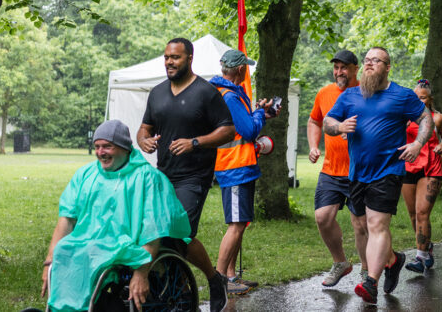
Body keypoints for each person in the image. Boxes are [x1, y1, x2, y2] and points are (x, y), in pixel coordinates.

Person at [42, 120, 192, 311]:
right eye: (97, 147)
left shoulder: (148, 178)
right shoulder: (86, 175)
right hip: (89, 241)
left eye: (107, 146)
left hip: (126, 244)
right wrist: (50, 263)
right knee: (64, 249)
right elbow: (67, 218)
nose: (100, 152)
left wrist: (141, 271)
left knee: (91, 253)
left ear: (124, 148)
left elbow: (152, 230)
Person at [323, 47, 432, 304]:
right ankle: (393, 260)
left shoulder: (402, 95)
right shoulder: (350, 96)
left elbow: (426, 118)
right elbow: (327, 121)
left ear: (387, 67)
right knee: (360, 225)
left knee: (376, 225)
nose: (369, 64)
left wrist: (417, 144)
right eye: (367, 60)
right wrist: (338, 126)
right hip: (358, 172)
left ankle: (371, 282)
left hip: (389, 170)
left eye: (376, 60)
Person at [136, 38, 237, 311]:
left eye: (175, 57)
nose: (169, 62)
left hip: (194, 176)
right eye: (167, 57)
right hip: (163, 176)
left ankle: (212, 279)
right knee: (155, 232)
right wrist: (144, 140)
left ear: (189, 58)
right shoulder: (157, 93)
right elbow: (143, 128)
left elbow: (228, 131)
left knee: (180, 234)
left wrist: (195, 142)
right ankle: (177, 290)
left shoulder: (206, 93)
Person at [208, 49, 277, 294]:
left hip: (240, 167)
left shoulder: (231, 93)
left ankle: (230, 276)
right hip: (234, 168)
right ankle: (221, 280)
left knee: (240, 223)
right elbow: (248, 131)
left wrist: (260, 113)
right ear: (240, 70)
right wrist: (260, 113)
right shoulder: (229, 97)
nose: (247, 70)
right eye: (245, 67)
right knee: (236, 225)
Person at [307, 50, 370, 287]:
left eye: (344, 67)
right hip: (331, 169)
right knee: (322, 217)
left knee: (361, 225)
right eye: (336, 67)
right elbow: (315, 120)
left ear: (356, 69)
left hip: (360, 170)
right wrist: (314, 146)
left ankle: (366, 272)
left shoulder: (369, 93)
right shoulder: (324, 93)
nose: (339, 72)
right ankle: (340, 263)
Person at [402, 79, 442, 272]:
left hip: (431, 166)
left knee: (422, 212)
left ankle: (419, 257)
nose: (418, 101)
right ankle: (427, 246)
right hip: (408, 165)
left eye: (422, 98)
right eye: (415, 97)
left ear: (429, 99)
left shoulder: (438, 118)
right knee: (413, 214)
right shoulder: (405, 118)